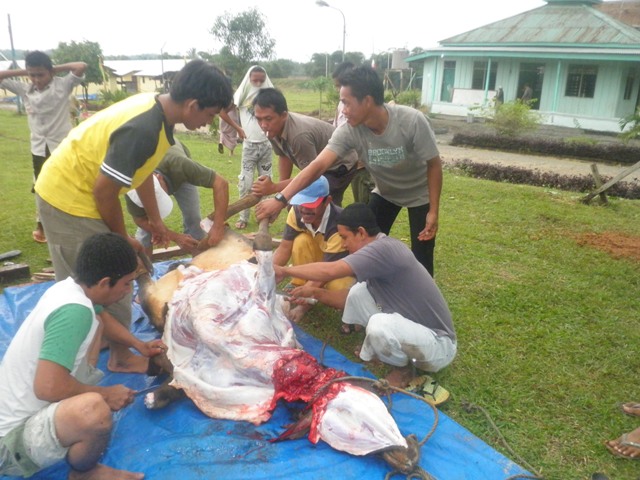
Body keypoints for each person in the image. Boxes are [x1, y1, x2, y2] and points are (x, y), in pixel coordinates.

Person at [34, 59, 233, 374]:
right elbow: (104, 192)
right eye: (210, 115)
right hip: (68, 197)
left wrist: (155, 222)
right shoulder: (144, 127)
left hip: (82, 192)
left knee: (110, 277)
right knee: (109, 280)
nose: (209, 123)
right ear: (193, 105)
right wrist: (123, 242)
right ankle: (113, 356)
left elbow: (141, 172)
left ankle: (101, 336)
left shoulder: (159, 117)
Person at [0, 232, 165, 479]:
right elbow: (47, 387)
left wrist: (138, 345)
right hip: (10, 443)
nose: (128, 291)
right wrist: (106, 394)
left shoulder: (69, 289)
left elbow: (102, 316)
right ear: (104, 282)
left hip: (21, 407)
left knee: (97, 322)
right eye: (127, 283)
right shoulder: (74, 312)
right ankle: (84, 472)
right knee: (93, 411)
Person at [256, 65, 443, 277]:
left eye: (346, 102)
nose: (342, 109)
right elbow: (317, 166)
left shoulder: (411, 121)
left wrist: (433, 210)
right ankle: (370, 286)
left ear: (367, 100)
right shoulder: (350, 131)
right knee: (365, 243)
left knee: (422, 254)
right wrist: (281, 199)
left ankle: (421, 299)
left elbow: (434, 165)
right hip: (385, 193)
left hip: (419, 195)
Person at [274, 203, 456, 388]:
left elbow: (330, 271)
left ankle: (403, 370)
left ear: (361, 232)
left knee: (379, 325)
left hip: (439, 346)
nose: (344, 244)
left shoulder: (383, 250)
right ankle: (379, 347)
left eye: (345, 237)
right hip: (416, 333)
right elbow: (348, 299)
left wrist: (284, 270)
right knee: (359, 291)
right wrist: (315, 293)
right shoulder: (381, 247)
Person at [0, 51, 86, 244]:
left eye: (41, 74)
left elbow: (80, 66)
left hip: (63, 147)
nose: (36, 79)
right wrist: (26, 70)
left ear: (50, 72)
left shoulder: (63, 86)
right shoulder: (25, 89)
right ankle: (42, 226)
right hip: (39, 148)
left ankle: (72, 223)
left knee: (70, 184)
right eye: (33, 75)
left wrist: (54, 69)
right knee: (41, 187)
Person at [250, 88, 358, 207]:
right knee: (295, 203)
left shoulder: (299, 136)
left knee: (320, 206)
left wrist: (275, 188)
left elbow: (311, 177)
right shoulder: (272, 129)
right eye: (258, 119)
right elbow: (284, 156)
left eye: (268, 118)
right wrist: (281, 193)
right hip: (319, 168)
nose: (263, 125)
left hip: (340, 165)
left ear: (284, 115)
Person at [125, 138, 230, 256]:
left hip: (180, 175)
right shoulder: (131, 187)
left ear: (159, 177)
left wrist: (217, 226)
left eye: (161, 197)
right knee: (145, 233)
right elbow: (140, 220)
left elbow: (221, 183)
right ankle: (145, 268)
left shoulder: (180, 164)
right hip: (161, 169)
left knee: (193, 218)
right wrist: (175, 236)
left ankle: (200, 264)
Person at [274, 176, 354, 324]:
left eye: (311, 204)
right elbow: (284, 247)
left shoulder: (339, 226)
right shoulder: (296, 212)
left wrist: (301, 307)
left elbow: (325, 273)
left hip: (338, 267)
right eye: (301, 203)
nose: (304, 209)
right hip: (323, 256)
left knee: (337, 287)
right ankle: (299, 283)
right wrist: (270, 271)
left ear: (327, 201)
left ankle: (307, 295)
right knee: (300, 241)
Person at [219, 66, 274, 230]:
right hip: (249, 147)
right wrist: (238, 128)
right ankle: (243, 217)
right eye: (254, 79)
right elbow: (222, 112)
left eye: (261, 80)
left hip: (267, 146)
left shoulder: (270, 95)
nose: (257, 83)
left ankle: (264, 218)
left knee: (266, 181)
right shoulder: (241, 94)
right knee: (246, 183)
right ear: (249, 79)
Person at [332, 62, 374, 205]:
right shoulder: (342, 104)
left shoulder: (363, 107)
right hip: (348, 163)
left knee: (365, 205)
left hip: (362, 164)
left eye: (340, 85)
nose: (339, 89)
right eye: (337, 86)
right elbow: (337, 128)